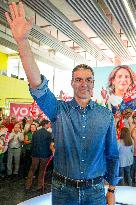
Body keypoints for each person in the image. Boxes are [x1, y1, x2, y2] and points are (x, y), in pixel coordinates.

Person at [5, 2, 120, 205]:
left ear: (93, 83)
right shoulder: (59, 111)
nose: (83, 84)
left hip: (95, 192)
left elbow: (112, 154)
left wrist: (111, 189)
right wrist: (22, 42)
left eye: (88, 79)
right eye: (78, 79)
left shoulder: (105, 115)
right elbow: (38, 86)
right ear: (72, 83)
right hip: (63, 191)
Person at [25, 120, 53, 191]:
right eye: (49, 124)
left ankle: (28, 185)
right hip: (45, 155)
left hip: (35, 154)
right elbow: (50, 146)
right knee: (42, 170)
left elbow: (33, 144)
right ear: (45, 125)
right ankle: (39, 186)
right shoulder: (48, 134)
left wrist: (32, 154)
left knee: (32, 170)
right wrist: (50, 154)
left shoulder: (35, 133)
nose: (49, 125)